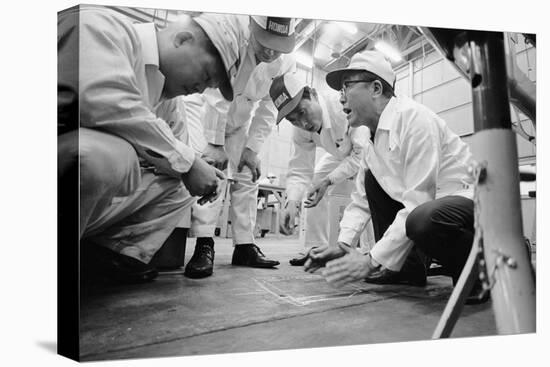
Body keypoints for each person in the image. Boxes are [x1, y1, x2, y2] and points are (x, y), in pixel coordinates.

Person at [57, 6, 241, 283]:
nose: (200, 90)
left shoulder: (168, 101)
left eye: (207, 87)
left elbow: (182, 159)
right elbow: (103, 100)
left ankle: (107, 255)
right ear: (182, 39)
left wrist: (197, 169)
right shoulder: (103, 26)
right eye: (204, 76)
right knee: (99, 155)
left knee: (180, 184)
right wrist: (188, 162)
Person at [305, 50, 482, 300]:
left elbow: (418, 200)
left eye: (347, 88)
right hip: (431, 210)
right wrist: (344, 247)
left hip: (468, 204)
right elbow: (361, 200)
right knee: (372, 182)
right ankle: (407, 270)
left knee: (422, 218)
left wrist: (370, 260)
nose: (341, 99)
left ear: (376, 88)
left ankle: (478, 270)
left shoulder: (415, 120)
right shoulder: (369, 139)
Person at [180, 15, 298, 279]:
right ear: (251, 28)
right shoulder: (232, 40)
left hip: (238, 123)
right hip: (205, 113)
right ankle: (204, 243)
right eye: (265, 42)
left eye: (277, 44)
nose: (270, 50)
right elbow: (215, 94)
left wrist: (251, 149)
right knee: (213, 172)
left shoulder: (284, 64)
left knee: (247, 174)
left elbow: (268, 108)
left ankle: (244, 245)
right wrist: (215, 143)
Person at [268, 73, 372, 266]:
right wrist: (292, 202)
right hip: (340, 153)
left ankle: (370, 252)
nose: (302, 123)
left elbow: (361, 155)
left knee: (367, 189)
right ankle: (316, 248)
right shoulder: (300, 129)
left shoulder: (342, 107)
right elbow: (300, 168)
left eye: (302, 112)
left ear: (313, 95)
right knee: (316, 182)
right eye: (293, 120)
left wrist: (330, 180)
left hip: (367, 153)